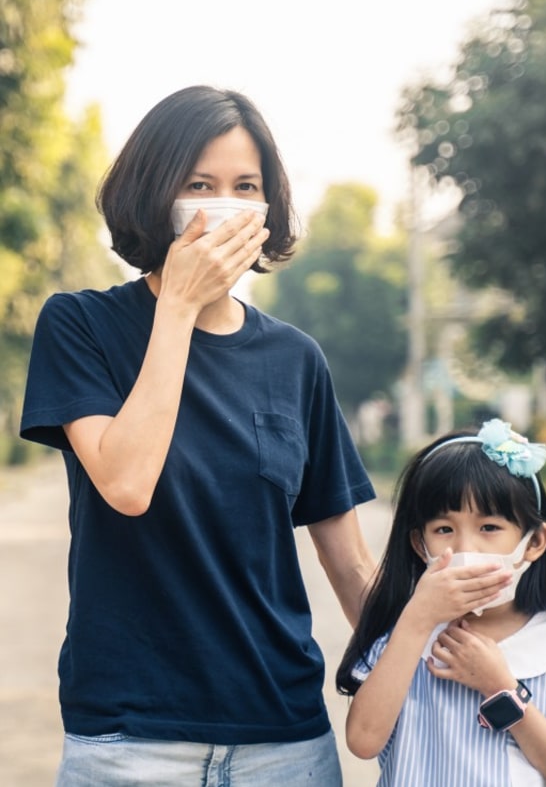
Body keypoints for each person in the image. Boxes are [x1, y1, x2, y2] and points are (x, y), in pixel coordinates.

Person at [20, 84, 377, 786]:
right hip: (127, 741)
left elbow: (351, 565)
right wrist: (179, 304)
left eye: (246, 187)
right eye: (199, 184)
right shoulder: (80, 325)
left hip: (284, 742)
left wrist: (433, 654)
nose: (226, 204)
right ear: (156, 193)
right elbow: (126, 483)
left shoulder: (296, 359)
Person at [336, 418, 546, 786]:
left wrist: (501, 689)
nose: (466, 548)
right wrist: (416, 621)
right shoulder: (403, 635)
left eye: (489, 528)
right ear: (420, 544)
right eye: (444, 529)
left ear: (535, 542)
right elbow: (363, 740)